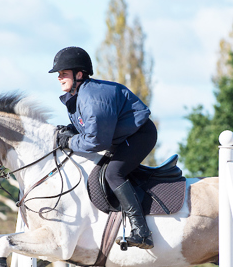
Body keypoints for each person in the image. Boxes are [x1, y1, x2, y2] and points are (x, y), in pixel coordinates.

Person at [49, 46, 157, 250]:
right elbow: (89, 127)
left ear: (79, 74)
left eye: (63, 73)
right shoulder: (78, 94)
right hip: (122, 136)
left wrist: (70, 142)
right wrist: (70, 130)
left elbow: (97, 141)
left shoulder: (91, 98)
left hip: (140, 135)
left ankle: (142, 232)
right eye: (58, 74)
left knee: (114, 174)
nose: (59, 77)